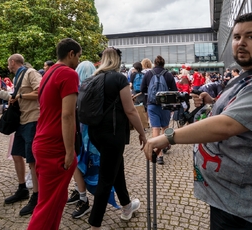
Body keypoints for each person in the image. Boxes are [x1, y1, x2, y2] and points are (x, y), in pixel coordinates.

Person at [144, 12, 252, 229]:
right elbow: (241, 115)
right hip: (235, 201)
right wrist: (212, 102)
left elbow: (227, 125)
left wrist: (169, 137)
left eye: (251, 37)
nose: (241, 43)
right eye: (237, 37)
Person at [87, 48, 147, 229]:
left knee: (115, 168)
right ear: (117, 60)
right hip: (112, 134)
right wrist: (142, 133)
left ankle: (127, 205)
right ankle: (94, 223)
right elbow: (130, 110)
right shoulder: (119, 79)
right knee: (106, 178)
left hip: (95, 132)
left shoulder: (92, 78)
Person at [27, 38, 81, 230]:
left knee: (54, 201)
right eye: (78, 56)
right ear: (71, 54)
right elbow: (67, 115)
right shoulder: (68, 74)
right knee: (48, 205)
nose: (78, 62)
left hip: (43, 139)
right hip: (55, 145)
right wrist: (69, 150)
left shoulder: (49, 73)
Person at [0, 53, 42, 216]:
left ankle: (37, 196)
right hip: (21, 121)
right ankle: (22, 188)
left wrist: (21, 95)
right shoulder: (17, 77)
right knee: (16, 154)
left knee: (32, 160)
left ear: (12, 62)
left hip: (32, 119)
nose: (8, 66)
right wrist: (14, 98)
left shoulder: (30, 73)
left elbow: (40, 92)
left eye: (8, 63)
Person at [67, 60, 97, 219]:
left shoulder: (76, 89)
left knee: (77, 163)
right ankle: (80, 192)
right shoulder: (95, 88)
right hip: (89, 134)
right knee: (81, 163)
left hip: (79, 133)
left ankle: (83, 197)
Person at [140, 55, 178, 165]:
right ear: (163, 64)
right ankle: (164, 146)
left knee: (155, 129)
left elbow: (142, 89)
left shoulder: (148, 74)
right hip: (165, 106)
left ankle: (159, 155)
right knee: (165, 128)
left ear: (154, 64)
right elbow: (174, 91)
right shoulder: (168, 75)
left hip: (152, 104)